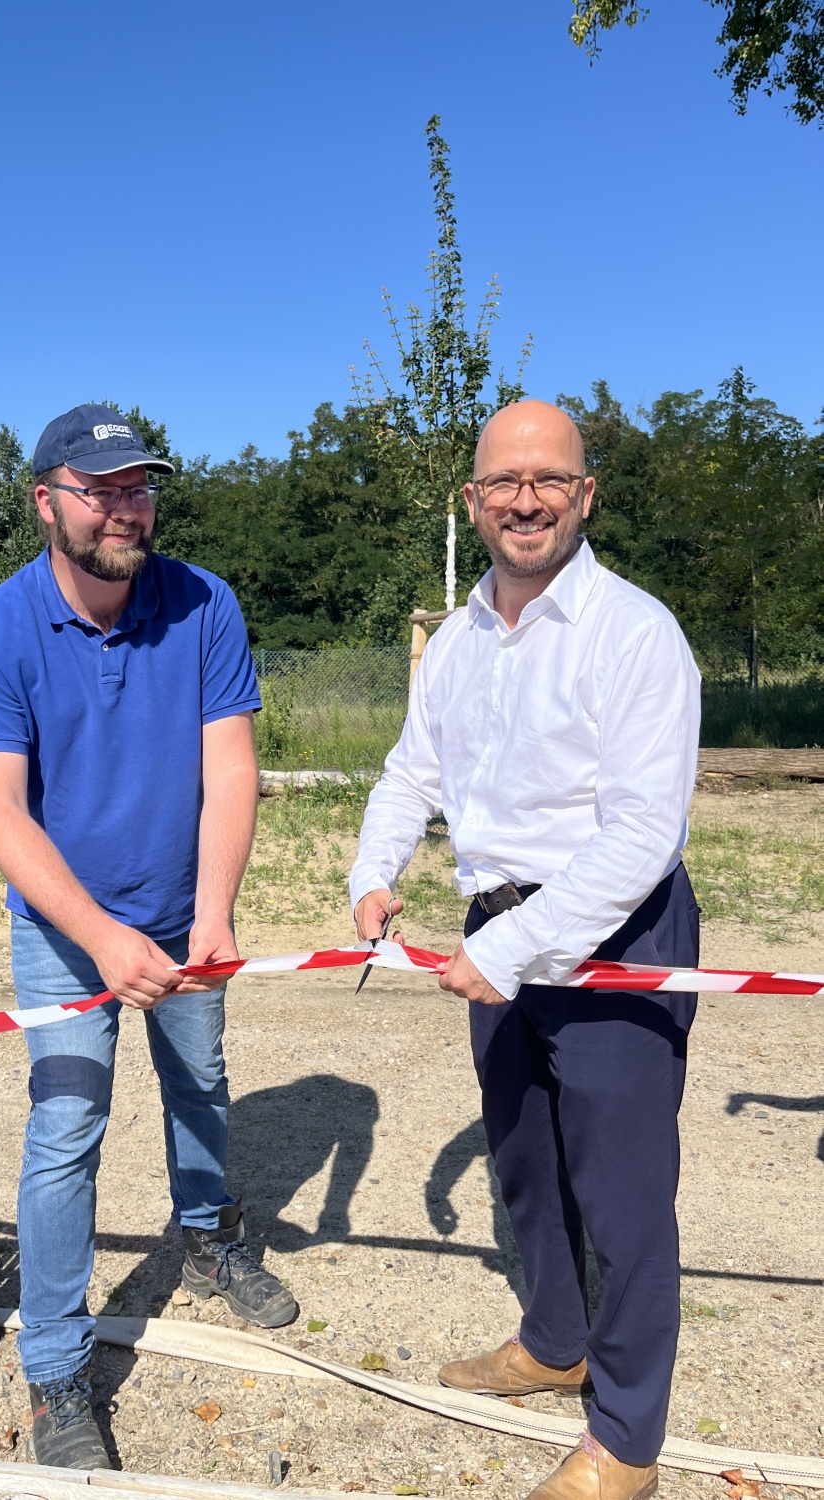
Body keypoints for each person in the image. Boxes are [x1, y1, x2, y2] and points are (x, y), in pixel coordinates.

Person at [349, 400, 700, 1500]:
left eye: (549, 479)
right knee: (524, 1161)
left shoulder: (635, 633)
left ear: (585, 495)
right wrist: (375, 869)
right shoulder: (457, 641)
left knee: (626, 1197)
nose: (526, 499)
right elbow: (415, 769)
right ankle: (555, 1342)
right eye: (503, 482)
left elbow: (646, 833)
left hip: (614, 935)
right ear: (474, 500)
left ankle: (626, 1446)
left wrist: (520, 947)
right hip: (493, 932)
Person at [0, 404, 297, 1471]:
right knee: (65, 1130)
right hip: (65, 931)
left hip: (185, 913)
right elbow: (1, 810)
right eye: (97, 488)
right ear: (45, 499)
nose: (121, 507)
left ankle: (207, 1234)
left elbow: (230, 766)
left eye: (136, 486)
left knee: (203, 1083)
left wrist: (215, 909)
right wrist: (99, 936)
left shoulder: (203, 604)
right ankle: (56, 1367)